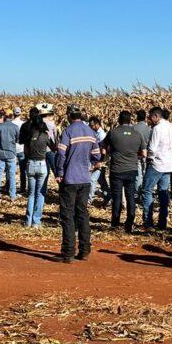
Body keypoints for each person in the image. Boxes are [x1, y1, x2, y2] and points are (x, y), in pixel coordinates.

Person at [55, 104, 101, 262]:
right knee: (82, 214)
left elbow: (61, 154)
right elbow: (97, 155)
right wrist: (91, 164)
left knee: (68, 216)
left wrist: (59, 172)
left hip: (70, 179)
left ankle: (68, 253)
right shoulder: (90, 132)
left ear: (69, 116)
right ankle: (85, 250)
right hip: (85, 179)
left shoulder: (68, 131)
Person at [102, 110, 147, 232]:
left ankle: (115, 223)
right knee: (130, 196)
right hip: (131, 169)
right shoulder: (137, 134)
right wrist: (133, 155)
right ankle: (129, 223)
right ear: (130, 120)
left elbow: (103, 149)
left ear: (119, 120)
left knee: (116, 198)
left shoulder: (112, 133)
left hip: (116, 169)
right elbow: (144, 154)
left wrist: (109, 154)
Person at [142, 107, 172, 231]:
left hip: (157, 164)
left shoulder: (157, 129)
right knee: (163, 193)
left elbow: (152, 148)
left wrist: (150, 158)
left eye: (150, 117)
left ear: (156, 116)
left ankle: (148, 222)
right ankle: (162, 223)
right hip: (168, 165)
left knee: (147, 190)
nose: (150, 120)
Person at [24, 114, 52, 227]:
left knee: (31, 194)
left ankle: (28, 221)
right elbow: (53, 147)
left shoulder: (30, 135)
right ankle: (36, 221)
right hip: (41, 163)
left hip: (31, 163)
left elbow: (26, 150)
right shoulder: (45, 136)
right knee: (40, 194)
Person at [0, 111, 20, 203]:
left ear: (4, 117)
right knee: (11, 175)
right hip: (11, 153)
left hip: (1, 153)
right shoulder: (15, 127)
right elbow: (17, 139)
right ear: (11, 117)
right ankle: (12, 195)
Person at [87, 116, 109, 204]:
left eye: (92, 125)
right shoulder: (95, 133)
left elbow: (104, 150)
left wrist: (101, 162)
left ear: (97, 124)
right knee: (101, 180)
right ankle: (108, 197)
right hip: (96, 160)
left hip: (99, 161)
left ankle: (89, 200)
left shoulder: (102, 135)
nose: (90, 127)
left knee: (92, 180)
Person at [132, 109, 152, 196]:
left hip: (137, 154)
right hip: (147, 154)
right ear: (145, 118)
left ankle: (137, 192)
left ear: (137, 117)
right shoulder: (149, 129)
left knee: (138, 174)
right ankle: (145, 191)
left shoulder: (133, 128)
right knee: (146, 174)